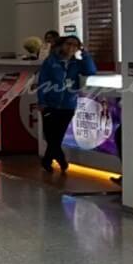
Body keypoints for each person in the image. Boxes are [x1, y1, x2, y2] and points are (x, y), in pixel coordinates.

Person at [37, 33, 97, 173]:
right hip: (50, 104)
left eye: (75, 45)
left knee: (58, 136)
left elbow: (91, 71)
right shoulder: (51, 61)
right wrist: (42, 101)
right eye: (68, 44)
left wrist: (85, 54)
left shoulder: (77, 63)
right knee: (50, 136)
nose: (71, 47)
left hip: (68, 106)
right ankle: (60, 159)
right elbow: (42, 81)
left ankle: (48, 161)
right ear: (62, 45)